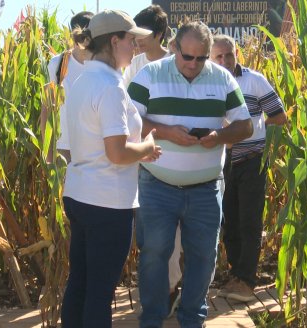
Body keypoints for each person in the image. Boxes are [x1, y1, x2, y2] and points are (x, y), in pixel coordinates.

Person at [128, 21, 253, 328]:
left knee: (205, 256)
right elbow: (126, 120)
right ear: (174, 48)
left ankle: (192, 318)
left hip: (206, 188)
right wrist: (167, 133)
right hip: (157, 184)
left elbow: (245, 125)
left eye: (201, 58)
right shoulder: (150, 75)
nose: (194, 64)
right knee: (155, 253)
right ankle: (153, 318)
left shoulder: (222, 79)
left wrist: (218, 136)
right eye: (187, 57)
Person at [61, 9, 162, 328]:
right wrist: (146, 148)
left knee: (80, 282)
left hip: (79, 194)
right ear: (114, 40)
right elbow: (117, 152)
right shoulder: (111, 86)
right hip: (107, 202)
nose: (135, 48)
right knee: (100, 292)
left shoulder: (81, 78)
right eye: (131, 41)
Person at [210, 34, 287, 302]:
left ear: (236, 54)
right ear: (211, 57)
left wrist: (257, 135)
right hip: (222, 162)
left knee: (249, 221)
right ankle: (236, 274)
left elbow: (279, 116)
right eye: (218, 56)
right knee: (228, 221)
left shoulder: (253, 80)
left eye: (228, 55)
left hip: (252, 159)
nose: (224, 60)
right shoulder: (209, 82)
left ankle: (247, 280)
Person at [122, 4, 184, 318]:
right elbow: (127, 112)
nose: (136, 41)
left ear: (159, 35)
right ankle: (161, 287)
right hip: (142, 160)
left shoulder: (177, 67)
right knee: (146, 233)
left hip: (173, 161)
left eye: (142, 36)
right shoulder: (133, 66)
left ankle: (169, 287)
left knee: (169, 232)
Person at [42, 11, 93, 163]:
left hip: (94, 149)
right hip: (64, 148)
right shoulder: (57, 64)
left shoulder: (101, 64)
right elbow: (46, 109)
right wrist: (48, 154)